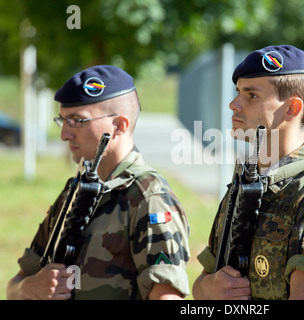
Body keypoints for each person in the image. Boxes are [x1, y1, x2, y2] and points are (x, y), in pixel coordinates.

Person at [192, 45, 304, 300]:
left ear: (292, 109)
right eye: (238, 92)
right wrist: (210, 289)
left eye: (251, 95)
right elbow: (203, 281)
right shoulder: (245, 184)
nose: (233, 104)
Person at [6, 65, 190, 300]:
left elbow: (167, 296)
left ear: (120, 126)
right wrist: (28, 288)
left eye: (77, 121)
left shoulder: (148, 197)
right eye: (62, 120)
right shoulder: (75, 192)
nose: (64, 134)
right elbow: (16, 284)